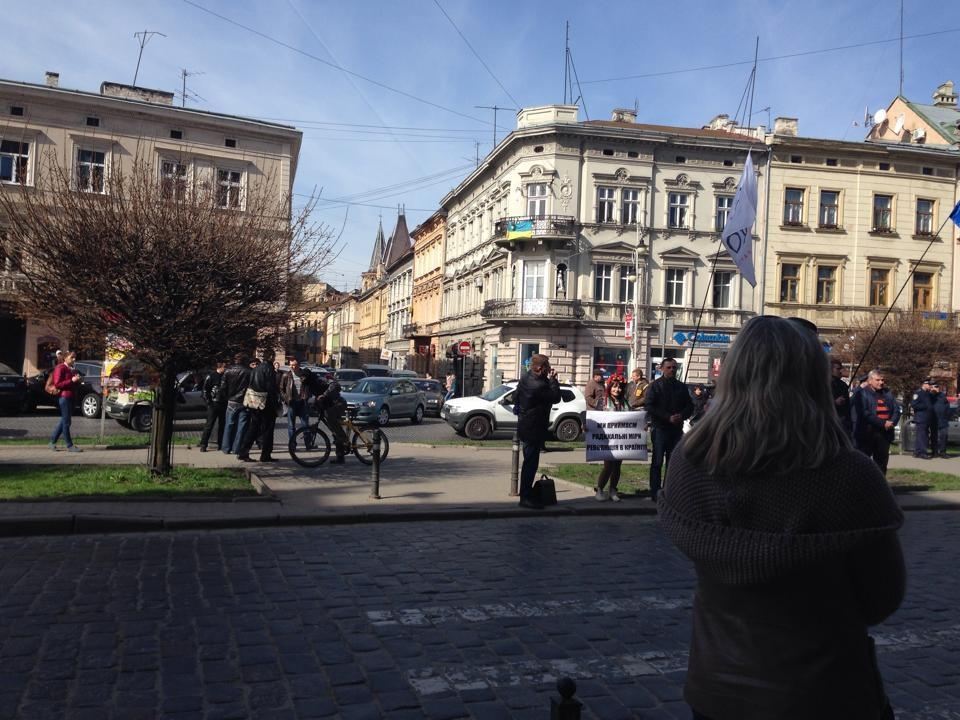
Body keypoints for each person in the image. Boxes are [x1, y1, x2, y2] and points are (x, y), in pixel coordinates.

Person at [659, 315, 905, 720]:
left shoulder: (690, 462)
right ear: (812, 377)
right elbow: (881, 598)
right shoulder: (850, 474)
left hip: (717, 688)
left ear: (734, 373)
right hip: (823, 691)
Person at [514, 354, 561, 509]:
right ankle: (525, 497)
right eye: (547, 366)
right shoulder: (538, 385)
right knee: (530, 464)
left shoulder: (526, 378)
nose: (549, 369)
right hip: (533, 428)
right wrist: (554, 380)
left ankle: (526, 495)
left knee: (529, 462)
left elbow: (516, 395)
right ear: (541, 368)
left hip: (525, 424)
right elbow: (555, 397)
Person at [644, 357, 693, 502]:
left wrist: (682, 415)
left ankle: (669, 491)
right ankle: (655, 492)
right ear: (662, 369)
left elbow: (690, 406)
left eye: (674, 367)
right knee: (657, 462)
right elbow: (649, 406)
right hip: (660, 428)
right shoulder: (655, 386)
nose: (672, 370)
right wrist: (667, 417)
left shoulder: (682, 387)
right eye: (669, 367)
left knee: (672, 463)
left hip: (676, 430)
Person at [854, 369, 901, 476]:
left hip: (884, 434)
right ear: (870, 381)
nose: (881, 382)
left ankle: (880, 488)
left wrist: (892, 422)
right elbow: (864, 413)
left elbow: (896, 410)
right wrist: (882, 423)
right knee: (864, 463)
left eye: (882, 380)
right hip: (868, 433)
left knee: (881, 463)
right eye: (878, 380)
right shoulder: (861, 394)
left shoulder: (887, 393)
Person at [238, 352, 279, 462]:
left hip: (254, 401)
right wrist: (276, 404)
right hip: (266, 403)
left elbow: (251, 384)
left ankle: (243, 452)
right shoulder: (269, 369)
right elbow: (271, 388)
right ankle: (265, 454)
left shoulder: (256, 368)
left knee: (253, 427)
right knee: (268, 429)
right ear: (271, 357)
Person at [595, 374, 627, 502]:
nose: (617, 390)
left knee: (617, 466)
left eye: (619, 387)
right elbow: (596, 417)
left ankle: (613, 489)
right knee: (608, 466)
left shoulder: (625, 402)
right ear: (609, 387)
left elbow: (631, 418)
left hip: (621, 439)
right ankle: (600, 489)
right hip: (607, 439)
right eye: (614, 387)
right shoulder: (603, 401)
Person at [49, 350, 83, 452]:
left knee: (64, 421)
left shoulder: (71, 369)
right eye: (72, 357)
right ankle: (69, 445)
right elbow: (57, 384)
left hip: (71, 397)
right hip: (65, 398)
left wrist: (77, 380)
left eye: (75, 357)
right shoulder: (60, 368)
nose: (74, 359)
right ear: (65, 358)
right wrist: (71, 380)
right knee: (67, 422)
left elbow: (71, 384)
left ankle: (52, 442)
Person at [220, 353, 252, 455]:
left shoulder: (228, 371)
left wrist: (227, 397)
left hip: (231, 401)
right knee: (242, 426)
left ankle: (226, 447)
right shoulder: (248, 372)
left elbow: (223, 387)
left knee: (229, 424)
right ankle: (237, 448)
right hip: (244, 401)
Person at [315, 372, 348, 463]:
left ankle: (343, 438)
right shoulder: (327, 385)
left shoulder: (333, 384)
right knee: (334, 431)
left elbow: (331, 389)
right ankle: (340, 457)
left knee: (335, 428)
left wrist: (323, 395)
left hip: (339, 405)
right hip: (336, 405)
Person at [280, 358, 314, 445]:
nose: (292, 367)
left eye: (294, 365)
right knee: (291, 426)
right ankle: (292, 444)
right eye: (291, 365)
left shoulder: (304, 375)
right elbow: (281, 389)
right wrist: (286, 398)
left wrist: (307, 397)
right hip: (292, 403)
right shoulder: (286, 375)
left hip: (302, 402)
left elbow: (310, 386)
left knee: (305, 425)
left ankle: (308, 444)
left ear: (298, 365)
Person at [199, 362, 227, 452]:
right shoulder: (211, 376)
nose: (226, 369)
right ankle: (203, 444)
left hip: (223, 403)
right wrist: (209, 402)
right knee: (209, 425)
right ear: (220, 367)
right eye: (225, 367)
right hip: (214, 404)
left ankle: (221, 443)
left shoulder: (225, 376)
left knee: (222, 425)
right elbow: (205, 390)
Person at [910, 378, 934, 459]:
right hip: (921, 417)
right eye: (929, 384)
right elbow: (914, 404)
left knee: (922, 435)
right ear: (924, 384)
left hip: (926, 418)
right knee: (922, 436)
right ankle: (922, 453)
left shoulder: (928, 393)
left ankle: (917, 452)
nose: (930, 386)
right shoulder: (918, 393)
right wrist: (925, 407)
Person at [830, 358, 853, 437]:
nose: (840, 371)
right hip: (828, 421)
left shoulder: (843, 385)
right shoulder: (824, 383)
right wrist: (835, 402)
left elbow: (847, 406)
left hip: (842, 421)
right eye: (838, 369)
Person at [930, 382, 950, 459]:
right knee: (934, 437)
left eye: (935, 387)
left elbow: (947, 407)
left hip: (943, 420)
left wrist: (946, 416)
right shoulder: (931, 396)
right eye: (932, 387)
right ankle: (934, 452)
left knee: (944, 437)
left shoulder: (942, 396)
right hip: (934, 420)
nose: (934, 388)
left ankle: (943, 452)